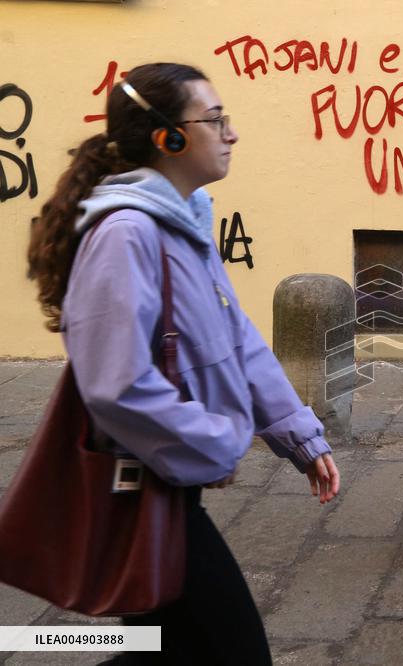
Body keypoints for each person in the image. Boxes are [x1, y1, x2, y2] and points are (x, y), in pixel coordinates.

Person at [26, 62, 339, 665]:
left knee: (165, 651)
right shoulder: (126, 234)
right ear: (168, 137)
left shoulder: (183, 219)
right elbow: (115, 385)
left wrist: (297, 434)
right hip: (144, 486)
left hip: (172, 483)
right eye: (215, 120)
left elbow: (235, 335)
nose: (231, 133)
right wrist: (216, 443)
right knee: (230, 653)